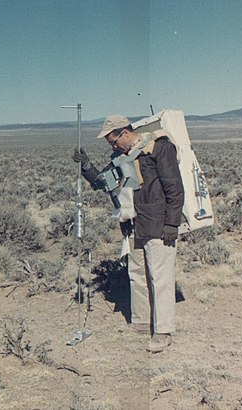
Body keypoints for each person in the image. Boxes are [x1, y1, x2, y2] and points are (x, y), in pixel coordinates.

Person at [73, 115, 184, 353]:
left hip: (158, 223)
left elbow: (174, 187)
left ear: (125, 133)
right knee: (138, 274)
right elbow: (104, 183)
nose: (113, 147)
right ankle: (142, 322)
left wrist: (172, 224)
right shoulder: (120, 158)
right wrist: (86, 167)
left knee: (161, 278)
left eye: (114, 142)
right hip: (134, 225)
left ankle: (163, 332)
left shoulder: (159, 147)